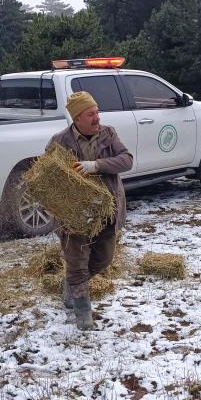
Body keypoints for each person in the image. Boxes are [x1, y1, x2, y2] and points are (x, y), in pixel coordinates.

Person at [46, 91, 133, 330]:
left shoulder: (109, 134)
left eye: (97, 112)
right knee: (77, 261)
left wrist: (97, 165)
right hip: (73, 215)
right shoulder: (59, 142)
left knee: (103, 259)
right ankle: (83, 314)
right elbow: (46, 178)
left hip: (106, 211)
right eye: (91, 114)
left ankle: (72, 284)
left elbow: (127, 160)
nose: (97, 118)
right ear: (76, 118)